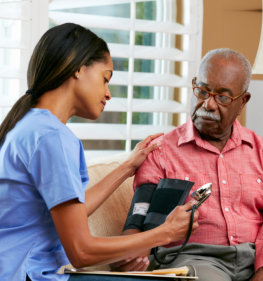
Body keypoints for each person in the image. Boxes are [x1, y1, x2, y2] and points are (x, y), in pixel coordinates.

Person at [0, 23, 199, 281]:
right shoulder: (52, 138)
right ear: (78, 69)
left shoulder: (30, 126)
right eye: (105, 78)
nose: (108, 94)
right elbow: (80, 251)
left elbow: (72, 213)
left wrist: (128, 167)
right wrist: (166, 232)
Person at [114, 48, 263, 281]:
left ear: (243, 101)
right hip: (196, 262)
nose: (209, 105)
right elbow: (137, 219)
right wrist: (127, 254)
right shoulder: (160, 151)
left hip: (255, 259)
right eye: (202, 91)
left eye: (223, 97)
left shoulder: (259, 150)